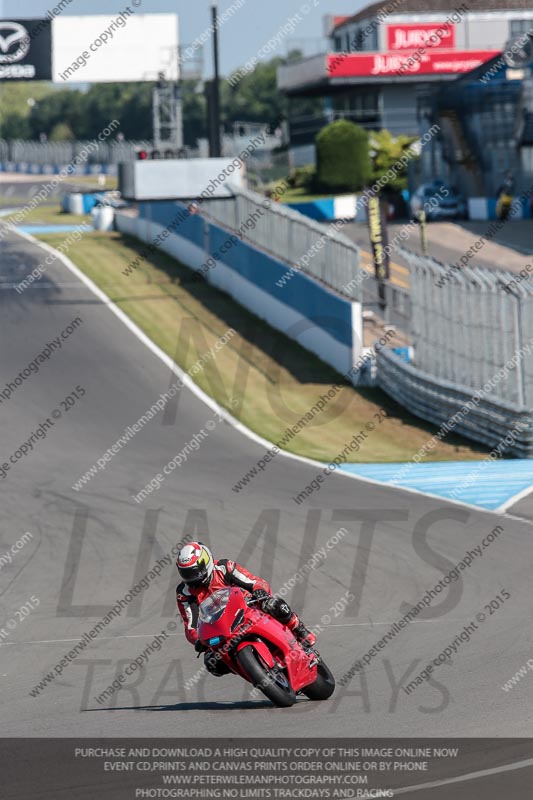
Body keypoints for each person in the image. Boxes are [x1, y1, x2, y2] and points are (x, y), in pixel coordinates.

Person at [176, 541, 317, 676]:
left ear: (205, 563)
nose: (190, 578)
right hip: (221, 628)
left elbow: (254, 581)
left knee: (273, 604)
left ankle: (299, 629)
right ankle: (250, 669)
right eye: (185, 574)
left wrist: (259, 590)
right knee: (212, 662)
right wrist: (198, 640)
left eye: (193, 573)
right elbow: (190, 627)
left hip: (247, 608)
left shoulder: (225, 568)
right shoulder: (184, 592)